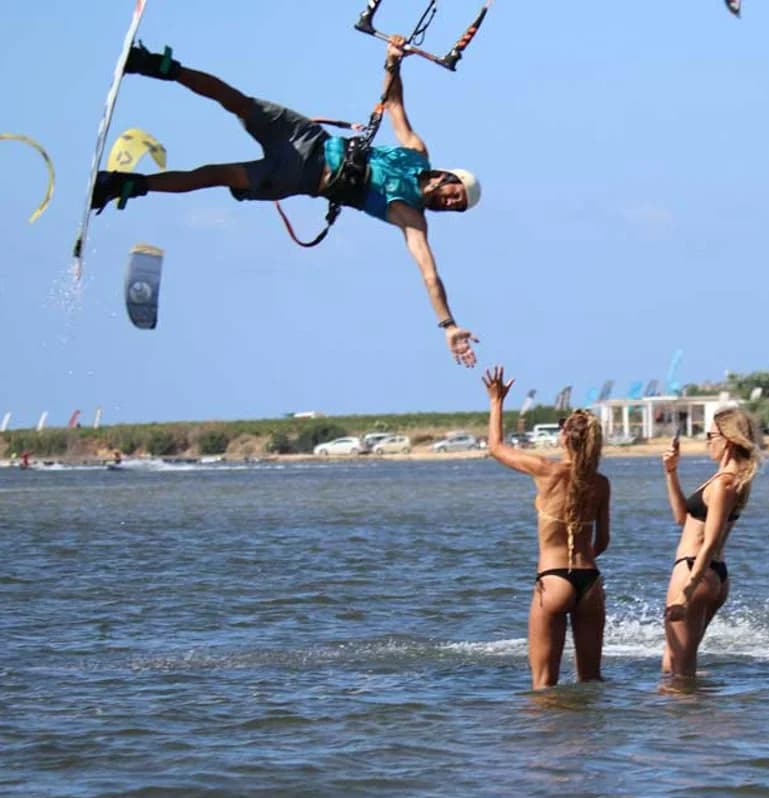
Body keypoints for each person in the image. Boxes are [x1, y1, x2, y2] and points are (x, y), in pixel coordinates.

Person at [91, 38, 480, 366]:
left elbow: (429, 274)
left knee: (212, 174)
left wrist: (448, 325)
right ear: (450, 177)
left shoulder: (411, 216)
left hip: (300, 178)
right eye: (455, 196)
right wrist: (393, 62)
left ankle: (122, 185)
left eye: (456, 208)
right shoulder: (416, 153)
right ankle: (154, 65)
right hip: (308, 139)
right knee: (237, 102)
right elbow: (394, 106)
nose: (450, 204)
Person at [483, 366, 611, 690]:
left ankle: (550, 740)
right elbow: (603, 541)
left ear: (566, 436)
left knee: (543, 685)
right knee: (592, 682)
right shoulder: (600, 483)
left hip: (553, 580)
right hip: (590, 582)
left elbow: (496, 447)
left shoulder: (548, 471)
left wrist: (496, 401)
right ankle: (593, 740)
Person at [660, 408, 762, 677]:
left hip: (695, 571)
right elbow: (683, 518)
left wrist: (687, 591)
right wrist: (671, 472)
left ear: (727, 439)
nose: (707, 442)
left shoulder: (723, 484)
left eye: (710, 436)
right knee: (673, 666)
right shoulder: (725, 480)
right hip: (710, 573)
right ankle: (700, 715)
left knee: (680, 673)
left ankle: (702, 717)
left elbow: (710, 541)